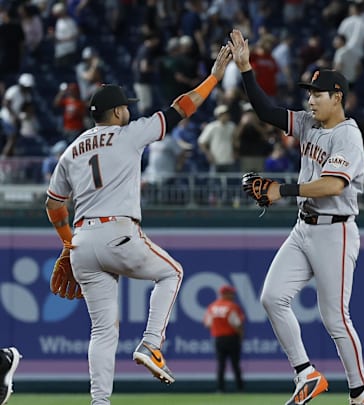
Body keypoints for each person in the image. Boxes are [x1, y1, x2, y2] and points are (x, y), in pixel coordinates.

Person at [44, 45, 233, 405]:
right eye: (125, 106)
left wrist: (68, 243)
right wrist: (213, 78)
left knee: (102, 331)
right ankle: (151, 344)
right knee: (172, 273)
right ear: (116, 111)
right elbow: (182, 108)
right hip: (118, 232)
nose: (128, 109)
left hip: (83, 240)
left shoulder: (70, 150)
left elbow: (53, 205)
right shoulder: (129, 133)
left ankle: (100, 402)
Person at [228, 29, 364, 405]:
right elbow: (266, 111)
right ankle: (306, 374)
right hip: (304, 228)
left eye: (316, 94)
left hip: (335, 231)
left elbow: (332, 186)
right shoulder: (309, 123)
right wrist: (246, 68)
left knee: (335, 319)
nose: (310, 99)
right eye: (308, 93)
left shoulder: (348, 136)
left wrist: (283, 190)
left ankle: (361, 395)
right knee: (272, 297)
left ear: (337, 97)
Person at [203, 284, 246, 392]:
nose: (233, 295)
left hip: (218, 338)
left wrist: (217, 330)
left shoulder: (212, 307)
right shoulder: (232, 306)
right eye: (231, 293)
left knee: (221, 364)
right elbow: (237, 323)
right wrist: (241, 336)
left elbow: (208, 324)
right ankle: (240, 388)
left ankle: (220, 388)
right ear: (225, 294)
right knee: (235, 364)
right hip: (232, 337)